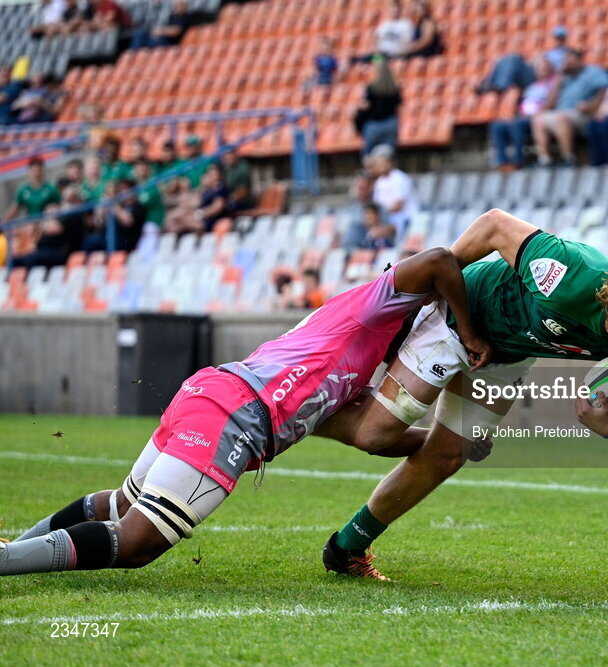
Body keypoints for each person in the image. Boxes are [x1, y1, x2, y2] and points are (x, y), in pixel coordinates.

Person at [0, 248, 491, 579]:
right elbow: (441, 260)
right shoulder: (372, 304)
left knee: (125, 507)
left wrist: (449, 441)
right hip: (237, 414)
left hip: (212, 395)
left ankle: (14, 544)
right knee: (138, 543)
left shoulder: (360, 358)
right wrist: (467, 331)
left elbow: (371, 438)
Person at [312, 209, 608, 579]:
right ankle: (296, 412)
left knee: (449, 454)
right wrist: (427, 290)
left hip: (507, 356)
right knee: (374, 435)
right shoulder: (576, 277)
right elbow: (495, 225)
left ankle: (347, 548)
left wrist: (604, 427)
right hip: (456, 320)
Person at [531, 49, 608, 166]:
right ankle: (545, 159)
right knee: (538, 119)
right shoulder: (564, 77)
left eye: (572, 61)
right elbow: (550, 104)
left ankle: (568, 158)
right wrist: (558, 80)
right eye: (567, 61)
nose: (569, 64)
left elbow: (606, 91)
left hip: (584, 114)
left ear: (580, 60)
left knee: (561, 117)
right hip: (562, 113)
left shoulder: (594, 72)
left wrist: (592, 105)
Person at [488, 57, 557, 169]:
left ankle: (518, 160)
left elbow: (551, 103)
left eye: (545, 69)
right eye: (540, 69)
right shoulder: (531, 86)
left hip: (539, 116)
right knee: (497, 126)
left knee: (517, 125)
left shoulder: (553, 84)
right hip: (523, 116)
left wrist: (536, 113)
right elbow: (521, 105)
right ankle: (502, 161)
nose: (542, 71)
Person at [11, 199, 84, 269]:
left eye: (50, 208)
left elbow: (54, 229)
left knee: (30, 259)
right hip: (43, 251)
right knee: (15, 260)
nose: (47, 211)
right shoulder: (47, 223)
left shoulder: (69, 218)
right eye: (46, 209)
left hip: (58, 252)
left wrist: (47, 221)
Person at [367, 144, 418, 239]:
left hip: (406, 219)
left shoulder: (399, 178)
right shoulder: (379, 181)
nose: (379, 165)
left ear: (390, 162)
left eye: (382, 161)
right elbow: (376, 205)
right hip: (387, 219)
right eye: (377, 162)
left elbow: (398, 206)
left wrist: (380, 215)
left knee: (379, 231)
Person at [355, 57, 402, 157]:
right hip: (390, 123)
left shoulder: (371, 88)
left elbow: (365, 106)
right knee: (388, 155)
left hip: (374, 124)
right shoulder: (395, 88)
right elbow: (399, 104)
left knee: (368, 155)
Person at [4, 157, 61, 222]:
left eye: (39, 170)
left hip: (47, 221)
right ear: (29, 172)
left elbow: (60, 205)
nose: (37, 173)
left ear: (43, 171)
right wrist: (4, 221)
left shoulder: (51, 188)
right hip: (30, 222)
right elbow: (14, 208)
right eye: (34, 170)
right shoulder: (24, 189)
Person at [341, 170, 378, 250]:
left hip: (366, 249)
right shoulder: (349, 206)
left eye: (365, 187)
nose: (362, 190)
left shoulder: (378, 207)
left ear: (371, 187)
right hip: (346, 248)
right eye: (359, 186)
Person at [222, 148, 254, 214]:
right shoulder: (225, 168)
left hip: (242, 202)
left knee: (227, 208)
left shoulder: (242, 168)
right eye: (226, 157)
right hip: (228, 199)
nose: (229, 158)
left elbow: (243, 192)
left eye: (230, 155)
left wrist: (227, 200)